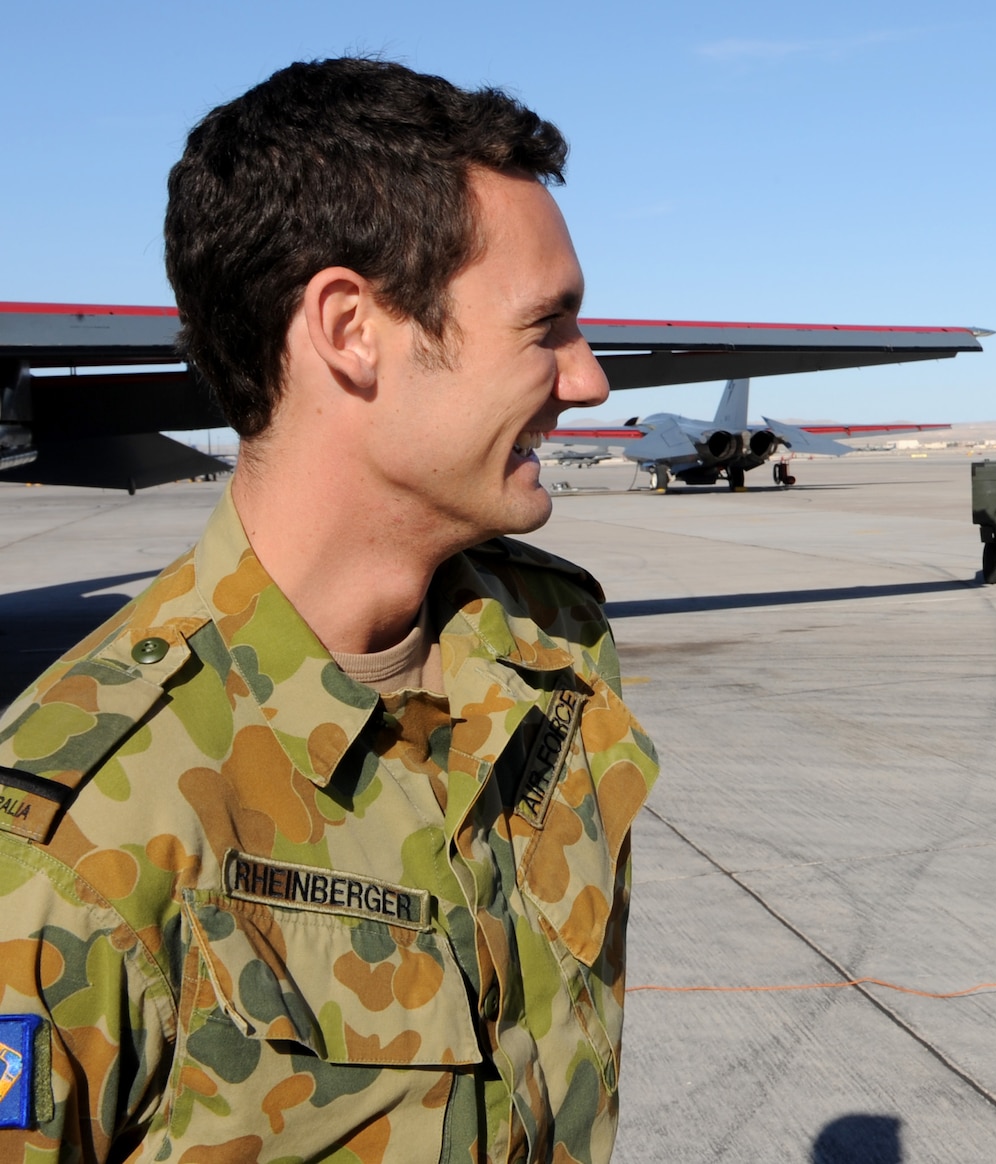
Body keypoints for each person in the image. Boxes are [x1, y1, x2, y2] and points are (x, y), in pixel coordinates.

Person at [0, 59, 658, 1161]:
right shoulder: (70, 852)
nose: (588, 380)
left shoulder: (554, 648)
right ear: (350, 329)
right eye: (546, 326)